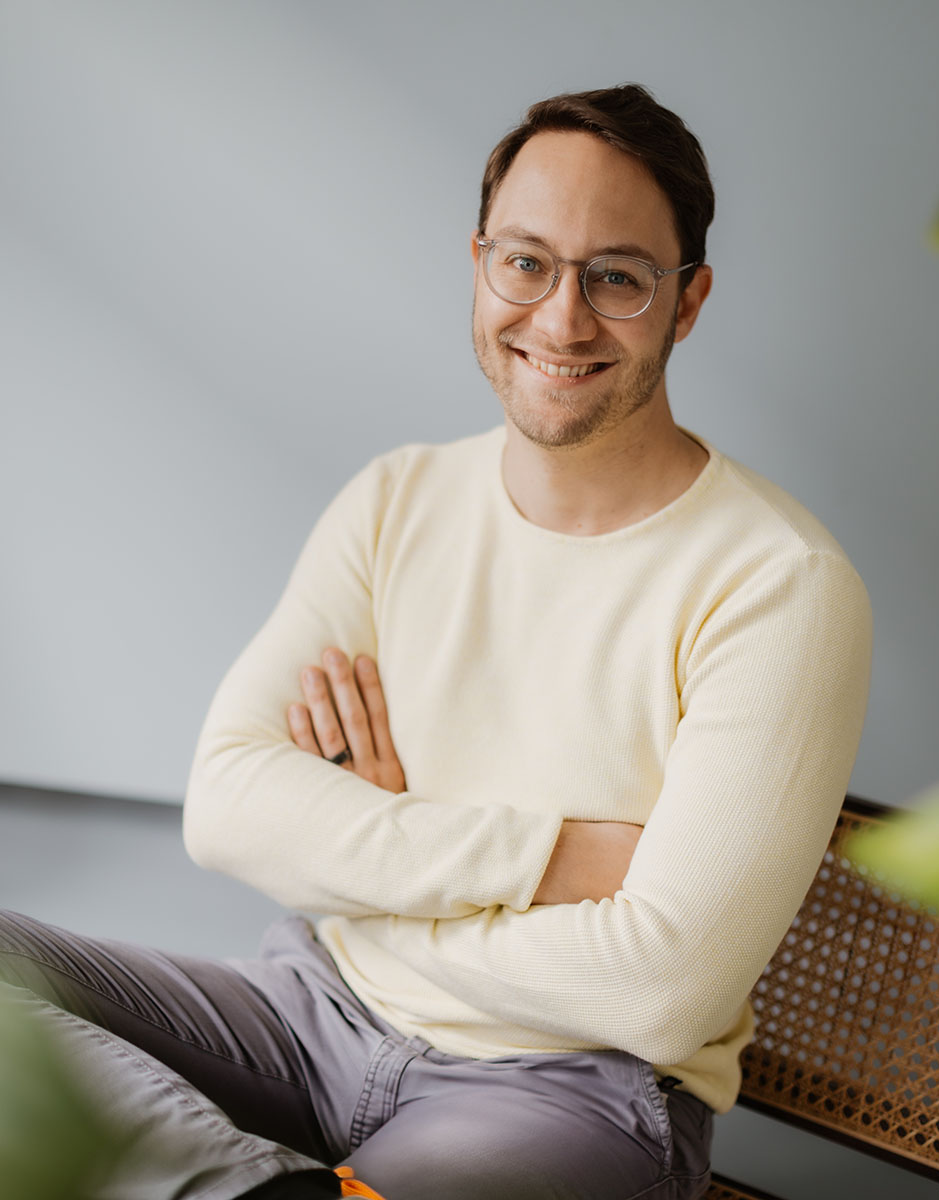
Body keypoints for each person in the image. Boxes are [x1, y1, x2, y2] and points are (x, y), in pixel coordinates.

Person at [0, 84, 871, 1199]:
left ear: (687, 301)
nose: (561, 319)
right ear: (479, 264)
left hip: (565, 1090)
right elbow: (226, 802)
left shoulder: (780, 586)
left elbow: (658, 992)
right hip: (308, 1010)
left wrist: (368, 876)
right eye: (527, 263)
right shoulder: (396, 499)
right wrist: (549, 857)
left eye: (616, 276)